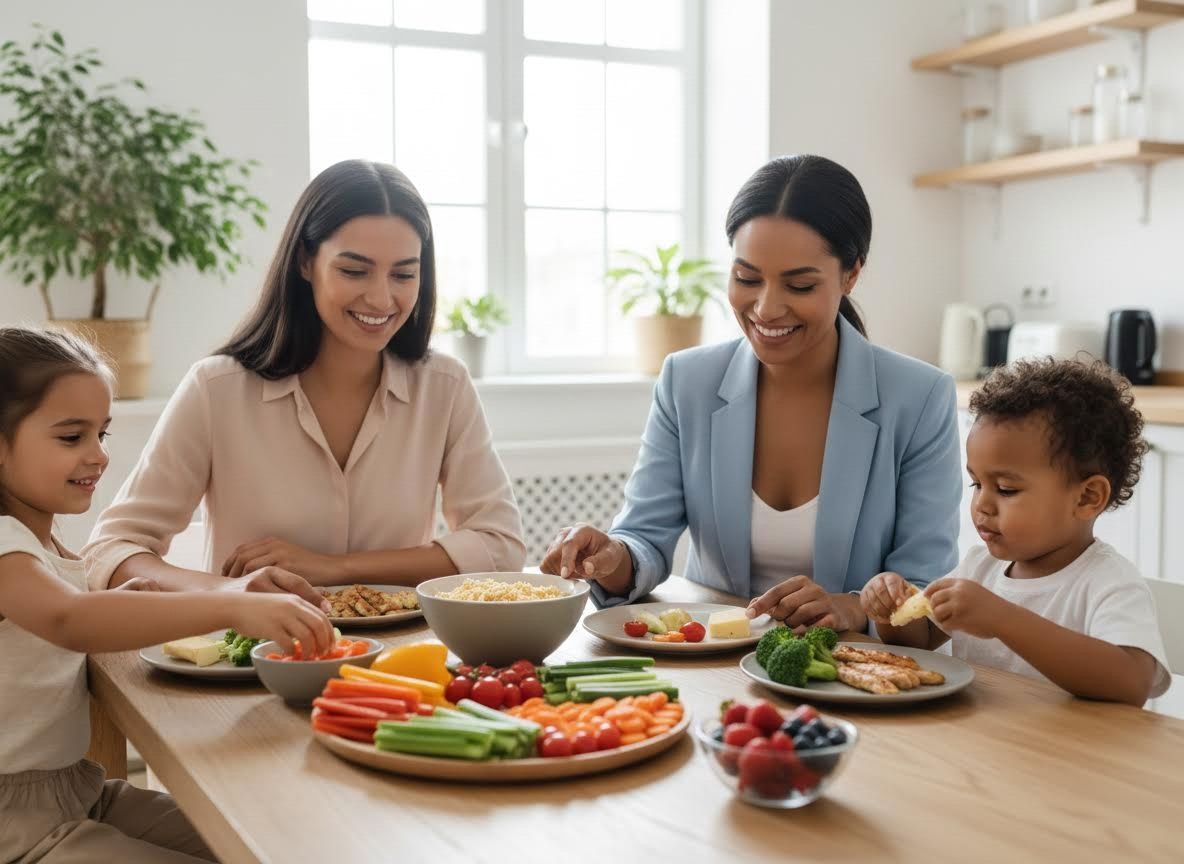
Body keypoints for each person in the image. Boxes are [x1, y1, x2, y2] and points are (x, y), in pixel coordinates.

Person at [541, 155, 962, 633]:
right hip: (711, 667)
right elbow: (643, 539)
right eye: (746, 279)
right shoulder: (687, 381)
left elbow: (925, 596)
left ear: (851, 275)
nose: (766, 307)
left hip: (858, 676)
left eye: (799, 285)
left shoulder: (920, 397)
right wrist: (610, 555)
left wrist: (852, 608)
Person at [84, 160, 525, 594]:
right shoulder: (216, 389)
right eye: (354, 270)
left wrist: (334, 568)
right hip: (255, 655)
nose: (381, 298)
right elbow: (112, 549)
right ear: (305, 262)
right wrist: (224, 595)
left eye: (404, 274)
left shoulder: (444, 386)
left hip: (401, 657)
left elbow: (501, 544)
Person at [0, 326, 334, 862]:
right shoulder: (3, 539)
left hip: (76, 793)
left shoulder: (40, 537)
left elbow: (56, 621)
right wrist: (234, 604)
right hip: (15, 823)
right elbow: (68, 620)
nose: (100, 456)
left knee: (258, 844)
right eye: (71, 437)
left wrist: (129, 601)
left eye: (101, 435)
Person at [863, 358, 1170, 705]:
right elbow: (919, 642)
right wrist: (890, 610)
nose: (982, 505)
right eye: (977, 484)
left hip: (1074, 755)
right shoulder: (979, 568)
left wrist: (1001, 618)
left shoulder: (1107, 582)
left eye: (1006, 489)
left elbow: (1131, 682)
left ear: (1087, 497)